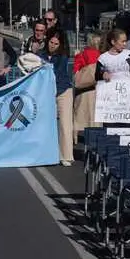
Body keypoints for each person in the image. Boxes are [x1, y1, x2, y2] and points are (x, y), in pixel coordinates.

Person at [40, 30, 75, 165]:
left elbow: (58, 73)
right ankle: (45, 154)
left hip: (63, 90)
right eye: (51, 42)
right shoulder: (40, 55)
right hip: (46, 93)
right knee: (45, 124)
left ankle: (65, 156)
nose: (53, 45)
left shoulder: (63, 56)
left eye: (56, 44)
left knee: (65, 124)